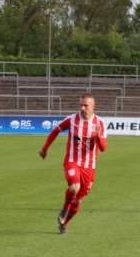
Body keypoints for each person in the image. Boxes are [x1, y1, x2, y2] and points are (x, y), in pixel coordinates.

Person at [39, 93, 107, 234]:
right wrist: (44, 149)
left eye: (85, 105)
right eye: (80, 105)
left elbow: (103, 148)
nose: (82, 108)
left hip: (89, 167)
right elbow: (55, 131)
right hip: (72, 161)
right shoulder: (71, 120)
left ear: (93, 106)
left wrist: (98, 136)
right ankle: (65, 208)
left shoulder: (100, 123)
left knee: (78, 200)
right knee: (74, 187)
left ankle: (64, 224)